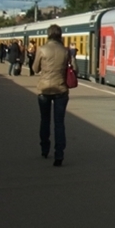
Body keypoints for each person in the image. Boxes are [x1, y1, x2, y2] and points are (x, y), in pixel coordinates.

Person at [33, 24, 75, 167]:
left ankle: (45, 149)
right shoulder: (65, 51)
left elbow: (35, 68)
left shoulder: (42, 49)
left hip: (44, 90)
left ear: (48, 34)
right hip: (61, 90)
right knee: (59, 123)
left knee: (45, 120)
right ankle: (59, 155)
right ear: (60, 35)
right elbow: (74, 69)